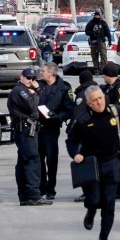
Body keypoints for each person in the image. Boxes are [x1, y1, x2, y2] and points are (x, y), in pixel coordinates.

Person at [66, 85, 120, 240]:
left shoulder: (116, 113)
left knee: (109, 202)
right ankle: (91, 211)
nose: (99, 102)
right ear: (88, 103)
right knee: (94, 199)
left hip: (112, 162)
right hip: (91, 165)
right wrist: (76, 154)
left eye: (100, 98)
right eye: (94, 101)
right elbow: (71, 141)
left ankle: (104, 237)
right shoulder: (83, 120)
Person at [7, 68, 52, 206]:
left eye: (33, 79)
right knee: (32, 161)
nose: (30, 81)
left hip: (27, 130)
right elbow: (33, 107)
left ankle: (25, 196)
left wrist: (34, 93)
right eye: (28, 78)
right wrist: (36, 92)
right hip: (25, 130)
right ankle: (33, 195)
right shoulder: (20, 91)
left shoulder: (25, 91)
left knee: (24, 162)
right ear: (21, 77)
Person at [36, 62, 75, 200]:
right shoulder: (38, 85)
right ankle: (41, 187)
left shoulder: (63, 88)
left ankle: (51, 188)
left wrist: (58, 118)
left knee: (51, 160)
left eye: (43, 71)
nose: (41, 73)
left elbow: (70, 109)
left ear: (51, 73)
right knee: (38, 159)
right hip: (37, 127)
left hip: (51, 128)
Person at [100, 63, 120, 198]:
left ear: (108, 75)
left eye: (103, 74)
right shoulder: (109, 87)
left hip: (119, 126)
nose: (102, 77)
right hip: (111, 126)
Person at [70, 69, 97, 203]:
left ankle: (88, 192)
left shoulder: (82, 95)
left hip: (84, 133)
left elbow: (77, 115)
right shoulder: (98, 91)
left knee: (83, 161)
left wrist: (71, 129)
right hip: (97, 131)